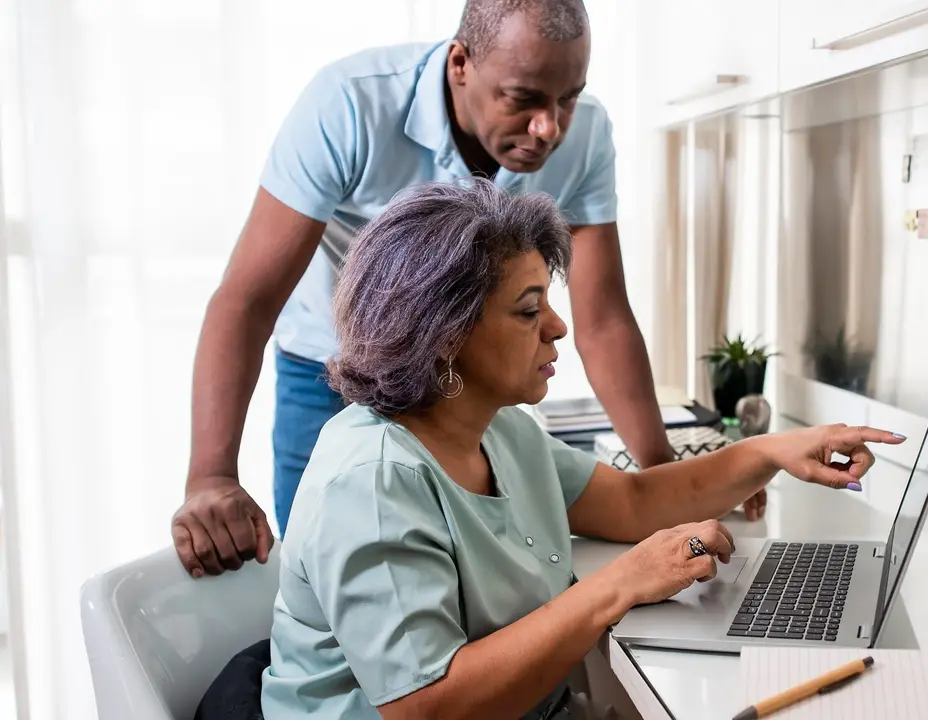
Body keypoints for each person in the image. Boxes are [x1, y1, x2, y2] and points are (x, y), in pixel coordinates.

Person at [258, 180, 905, 720]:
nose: (559, 327)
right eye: (527, 309)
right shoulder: (373, 481)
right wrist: (621, 583)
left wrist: (773, 450)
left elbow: (632, 501)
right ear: (445, 335)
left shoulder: (497, 429)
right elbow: (427, 705)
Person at [172, 0, 768, 578]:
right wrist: (211, 477)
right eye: (524, 98)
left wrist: (665, 477)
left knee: (468, 596)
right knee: (330, 585)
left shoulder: (583, 135)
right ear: (461, 64)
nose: (549, 128)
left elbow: (604, 315)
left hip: (463, 388)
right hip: (332, 375)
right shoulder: (349, 104)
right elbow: (247, 301)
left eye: (569, 97)